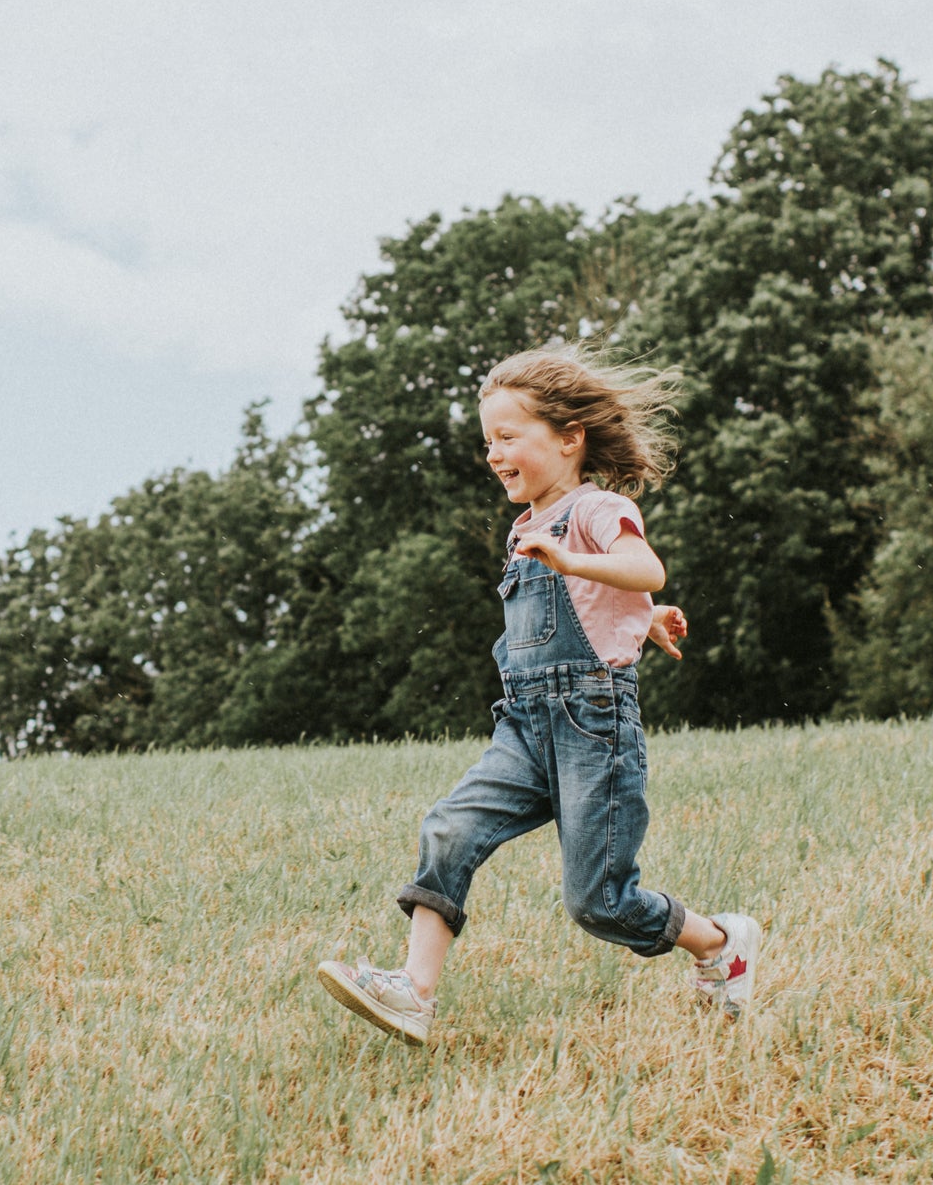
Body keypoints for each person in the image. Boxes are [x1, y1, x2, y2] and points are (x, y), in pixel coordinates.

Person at [316, 346, 759, 1045]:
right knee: (449, 827)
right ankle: (413, 991)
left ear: (568, 437)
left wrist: (584, 562)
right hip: (523, 725)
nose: (493, 453)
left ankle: (717, 943)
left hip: (592, 725)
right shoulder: (526, 524)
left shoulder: (594, 507)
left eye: (508, 436)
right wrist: (638, 619)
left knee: (598, 903)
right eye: (487, 440)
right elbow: (590, 603)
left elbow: (643, 565)